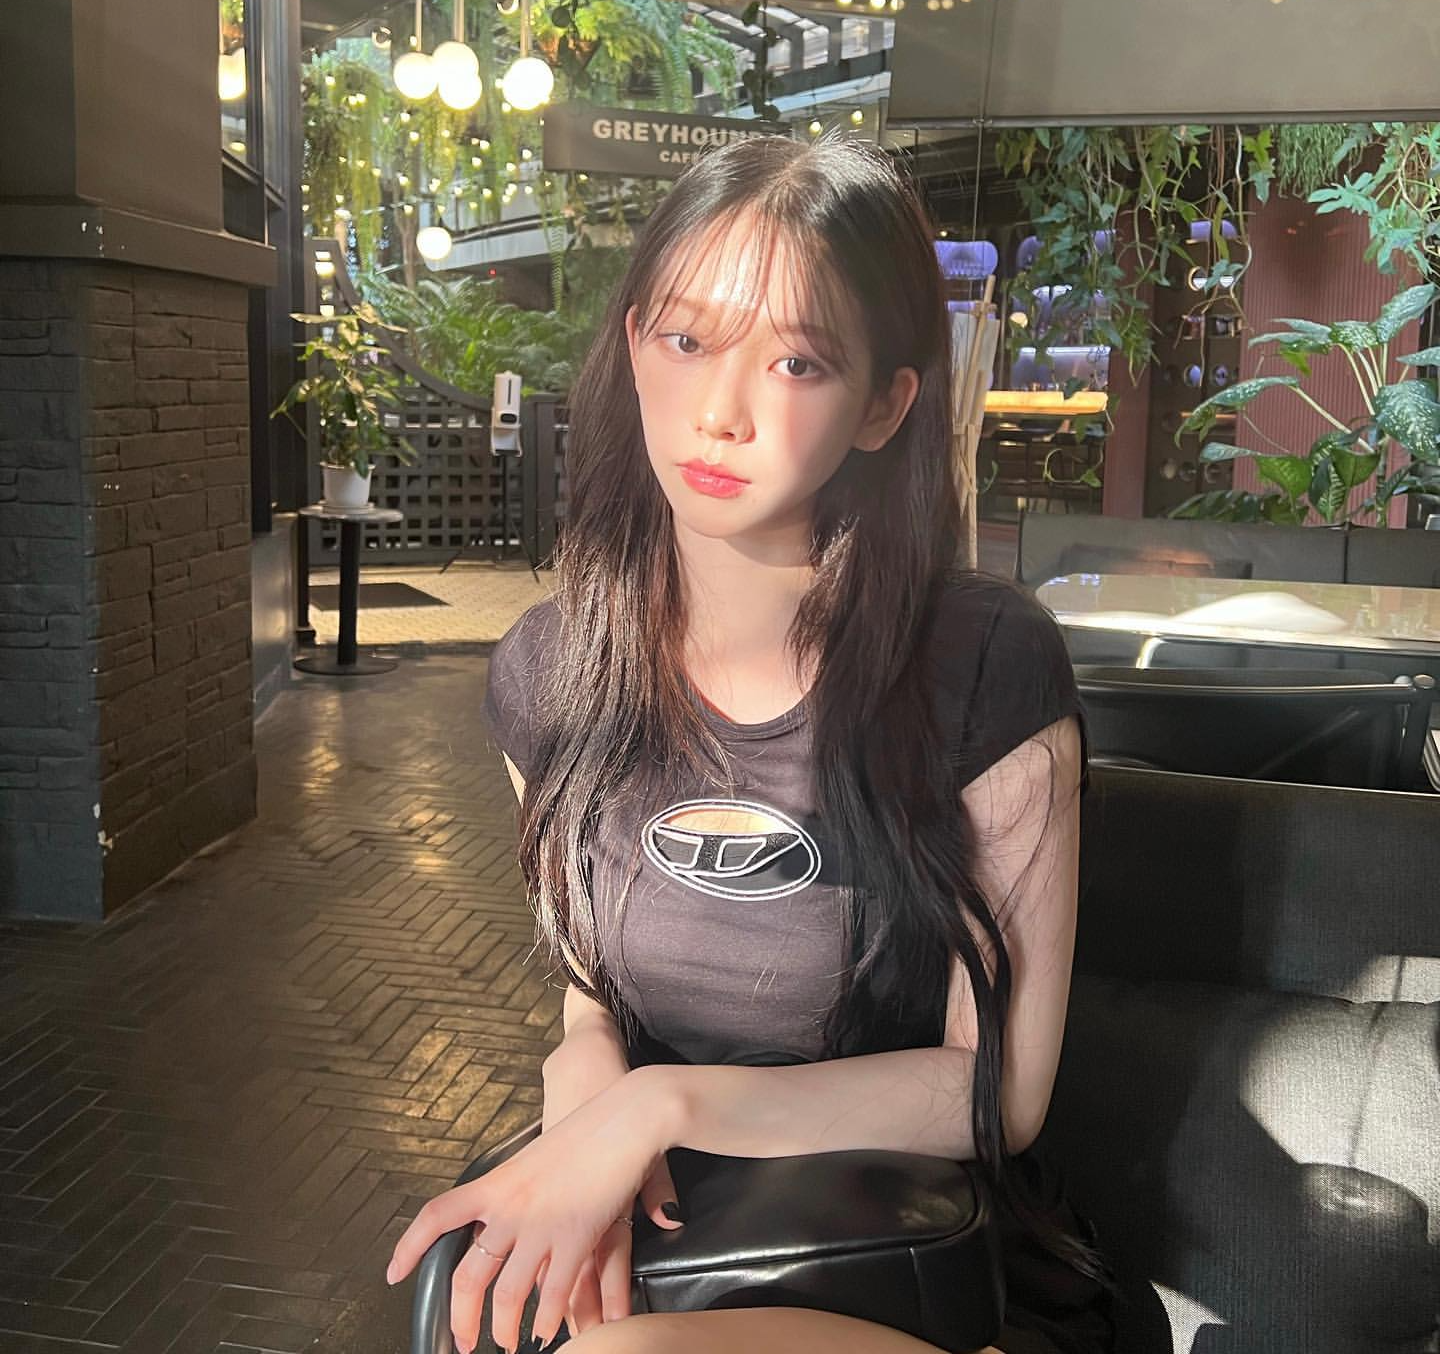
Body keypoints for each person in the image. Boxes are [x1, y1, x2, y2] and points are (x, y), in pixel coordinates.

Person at [386, 133, 1119, 1354]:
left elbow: (997, 1092)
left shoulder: (985, 664)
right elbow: (590, 988)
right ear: (635, 345)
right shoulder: (551, 673)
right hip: (686, 1230)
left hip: (920, 1260)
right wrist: (588, 1085)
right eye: (687, 341)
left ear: (884, 404)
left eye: (796, 362)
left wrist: (659, 1108)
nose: (721, 412)